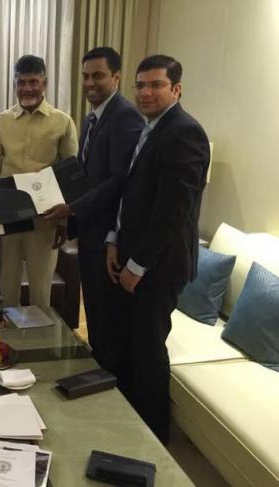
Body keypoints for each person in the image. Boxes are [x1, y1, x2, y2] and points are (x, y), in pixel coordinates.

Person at [105, 55, 210, 443]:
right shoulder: (150, 128)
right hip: (134, 256)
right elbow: (132, 197)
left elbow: (172, 212)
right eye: (141, 85)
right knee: (133, 346)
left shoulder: (185, 132)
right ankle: (131, 423)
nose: (146, 92)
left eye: (156, 85)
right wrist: (114, 239)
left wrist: (137, 265)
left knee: (149, 352)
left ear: (176, 89)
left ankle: (153, 440)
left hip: (158, 266)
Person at [44, 47, 145, 368]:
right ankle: (97, 368)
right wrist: (69, 221)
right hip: (90, 232)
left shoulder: (125, 116)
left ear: (116, 78)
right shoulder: (92, 117)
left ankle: (108, 377)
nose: (89, 83)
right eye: (85, 76)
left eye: (98, 76)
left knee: (108, 316)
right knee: (96, 312)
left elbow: (118, 180)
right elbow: (85, 176)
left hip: (109, 238)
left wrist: (71, 208)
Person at [0, 54, 78, 310]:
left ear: (44, 83)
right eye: (21, 82)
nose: (27, 88)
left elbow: (70, 175)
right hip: (9, 216)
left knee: (41, 291)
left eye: (33, 82)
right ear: (14, 84)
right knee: (8, 290)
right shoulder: (0, 122)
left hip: (45, 217)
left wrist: (64, 221)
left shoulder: (62, 122)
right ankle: (9, 335)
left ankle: (41, 335)